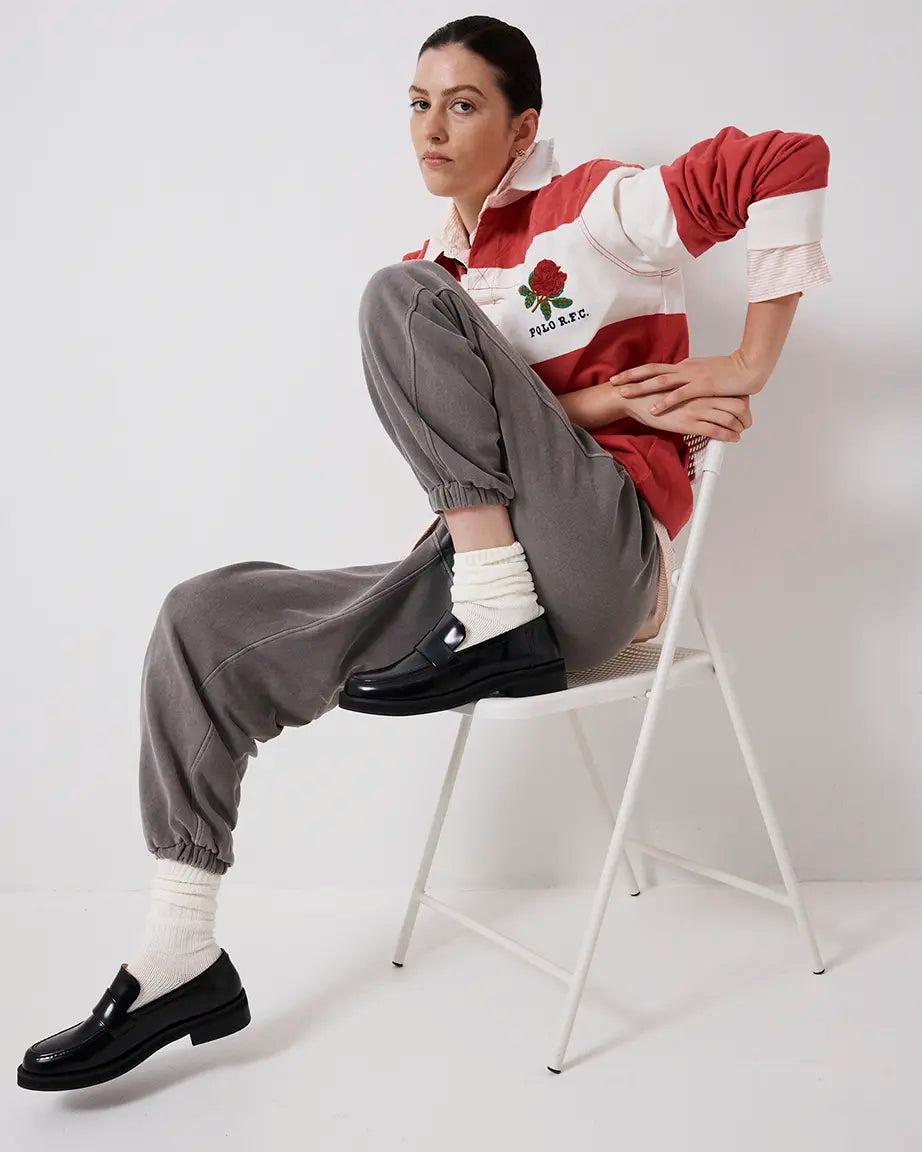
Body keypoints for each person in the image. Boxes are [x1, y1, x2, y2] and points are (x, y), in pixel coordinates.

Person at [17, 14, 831, 1091]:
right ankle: (183, 951)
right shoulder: (433, 277)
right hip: (486, 572)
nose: (431, 127)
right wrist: (586, 397)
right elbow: (489, 444)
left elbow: (788, 159)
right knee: (200, 615)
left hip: (600, 562)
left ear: (521, 123)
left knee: (398, 303)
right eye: (417, 103)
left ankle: (493, 613)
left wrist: (748, 363)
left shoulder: (596, 205)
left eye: (462, 104)